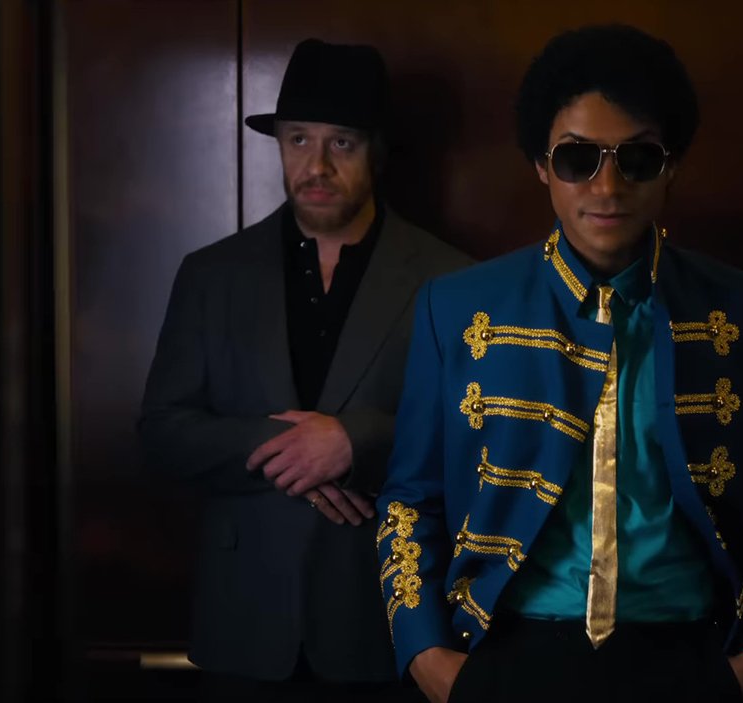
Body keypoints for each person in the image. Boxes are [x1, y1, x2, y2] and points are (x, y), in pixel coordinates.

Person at [373, 24, 743, 703]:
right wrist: (429, 659)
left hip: (694, 659)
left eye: (637, 158)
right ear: (540, 164)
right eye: (577, 158)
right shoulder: (457, 308)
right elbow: (411, 499)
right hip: (506, 657)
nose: (607, 185)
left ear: (671, 164)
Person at [137, 38, 471, 701]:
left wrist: (355, 441)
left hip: (385, 627)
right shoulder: (210, 275)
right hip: (244, 628)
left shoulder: (453, 279)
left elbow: (480, 436)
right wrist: (287, 447)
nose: (315, 165)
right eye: (297, 140)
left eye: (341, 143)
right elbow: (162, 432)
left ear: (377, 151)